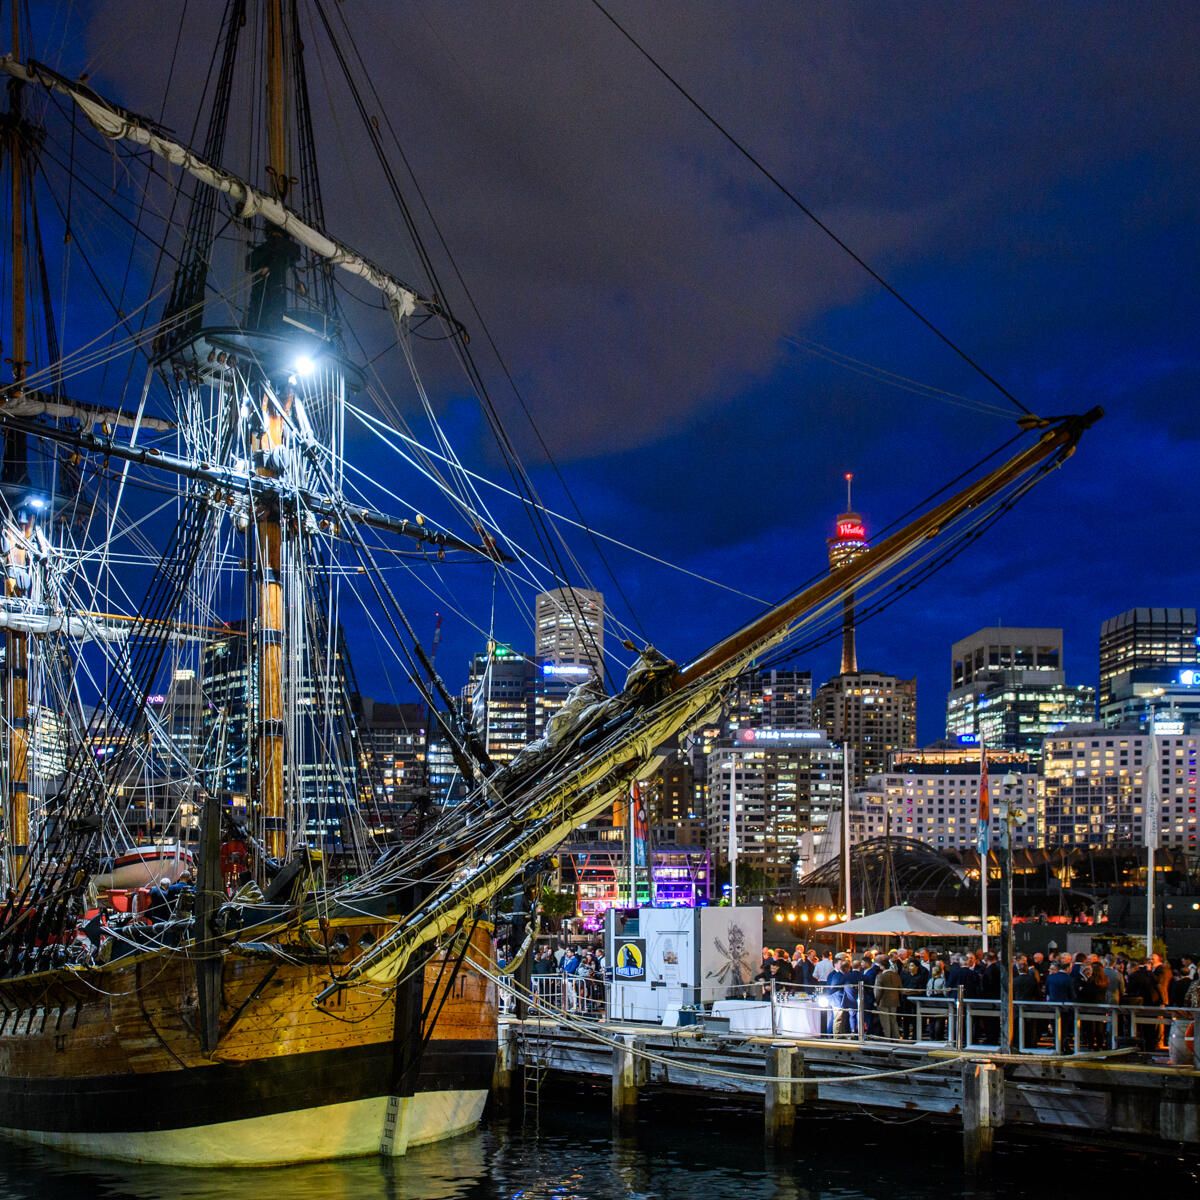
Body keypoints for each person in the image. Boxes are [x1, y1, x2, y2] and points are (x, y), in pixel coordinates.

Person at [875, 956, 903, 1040]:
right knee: (893, 1021)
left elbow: (878, 991)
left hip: (883, 1002)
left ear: (882, 966)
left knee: (885, 1022)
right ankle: (896, 1037)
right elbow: (900, 988)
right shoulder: (896, 975)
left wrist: (876, 1001)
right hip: (894, 1001)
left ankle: (887, 1038)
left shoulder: (880, 976)